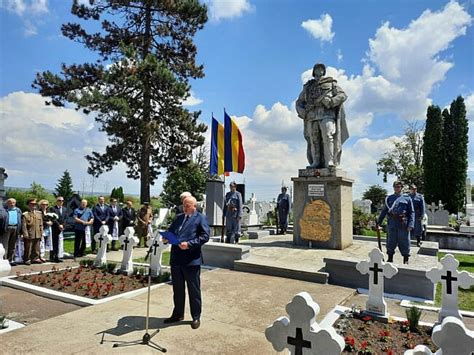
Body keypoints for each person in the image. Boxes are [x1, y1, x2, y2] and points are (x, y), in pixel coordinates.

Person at [163, 196, 209, 329]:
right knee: (177, 289)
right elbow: (171, 231)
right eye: (183, 205)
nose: (185, 208)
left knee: (193, 290)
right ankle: (177, 314)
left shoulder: (200, 218)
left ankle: (196, 317)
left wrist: (189, 244)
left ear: (194, 206)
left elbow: (205, 236)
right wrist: (166, 238)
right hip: (176, 258)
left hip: (191, 260)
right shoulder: (178, 217)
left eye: (187, 206)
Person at [296, 62, 349, 169]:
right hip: (312, 116)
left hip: (327, 115)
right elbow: (299, 102)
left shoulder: (331, 83)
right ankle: (316, 162)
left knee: (328, 136)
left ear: (324, 71)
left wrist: (331, 101)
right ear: (313, 71)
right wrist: (302, 111)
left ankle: (329, 161)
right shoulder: (308, 86)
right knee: (314, 139)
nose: (319, 70)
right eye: (317, 68)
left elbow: (343, 95)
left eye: (321, 68)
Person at [376, 181, 415, 264]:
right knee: (390, 241)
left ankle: (406, 259)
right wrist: (378, 222)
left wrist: (411, 224)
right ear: (393, 187)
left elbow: (411, 212)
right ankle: (390, 258)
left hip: (403, 223)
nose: (397, 188)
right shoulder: (389, 198)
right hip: (392, 223)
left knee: (404, 241)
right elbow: (384, 211)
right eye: (395, 186)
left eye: (398, 186)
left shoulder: (407, 198)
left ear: (401, 188)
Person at [21, 198, 43, 265]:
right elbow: (24, 226)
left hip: (38, 233)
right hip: (29, 233)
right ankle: (27, 259)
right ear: (28, 205)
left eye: (35, 204)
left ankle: (35, 258)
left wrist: (41, 232)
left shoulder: (39, 213)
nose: (34, 205)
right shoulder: (25, 214)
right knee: (28, 248)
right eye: (32, 204)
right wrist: (25, 235)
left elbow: (41, 224)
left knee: (36, 248)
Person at [1, 198, 22, 265]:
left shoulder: (18, 210)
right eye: (10, 202)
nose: (12, 204)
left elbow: (20, 219)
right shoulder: (4, 210)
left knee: (13, 245)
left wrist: (20, 231)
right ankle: (4, 260)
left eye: (13, 202)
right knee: (5, 245)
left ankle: (10, 260)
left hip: (16, 228)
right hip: (6, 228)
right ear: (7, 203)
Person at [49, 196, 68, 262]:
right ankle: (52, 256)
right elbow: (53, 218)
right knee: (54, 242)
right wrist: (58, 225)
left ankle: (57, 256)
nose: (61, 202)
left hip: (61, 228)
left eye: (62, 201)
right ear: (56, 201)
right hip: (55, 228)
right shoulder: (53, 208)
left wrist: (63, 225)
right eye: (59, 200)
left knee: (60, 242)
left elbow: (65, 218)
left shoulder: (65, 209)